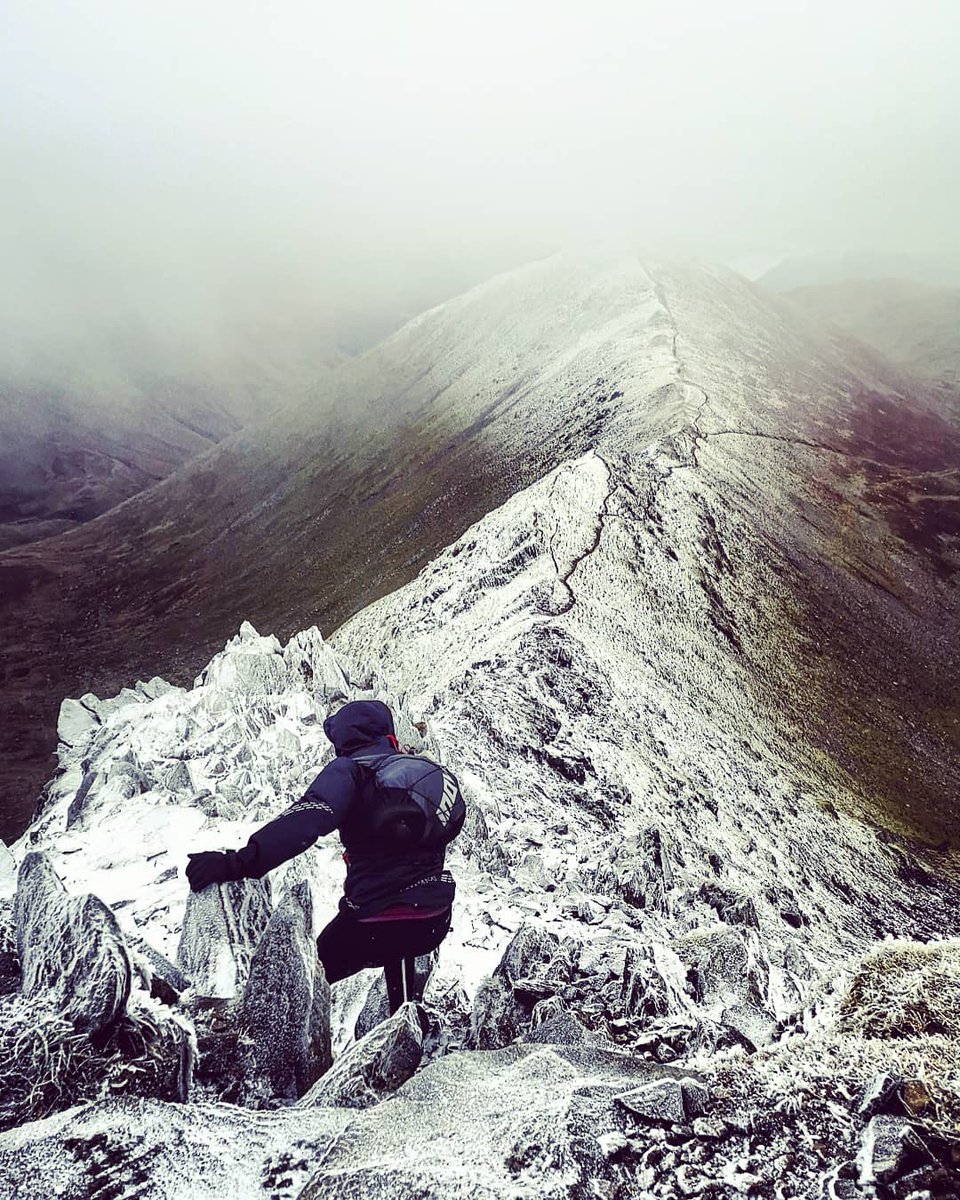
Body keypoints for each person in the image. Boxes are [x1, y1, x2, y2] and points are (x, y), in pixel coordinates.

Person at [185, 699, 456, 1012]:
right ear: (388, 736)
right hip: (433, 919)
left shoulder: (350, 770)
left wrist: (236, 863)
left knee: (300, 985)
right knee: (402, 923)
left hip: (372, 928)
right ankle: (405, 1025)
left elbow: (306, 820)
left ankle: (270, 1044)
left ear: (343, 743)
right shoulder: (417, 773)